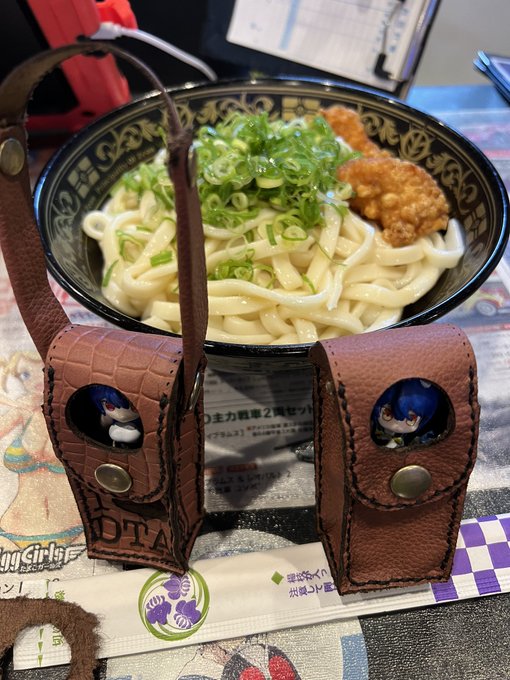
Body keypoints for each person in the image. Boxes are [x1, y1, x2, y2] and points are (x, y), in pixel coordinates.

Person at [0, 351, 83, 550]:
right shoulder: (22, 412)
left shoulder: (76, 410)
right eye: (25, 374)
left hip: (76, 528)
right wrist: (11, 402)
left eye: (43, 370)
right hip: (14, 529)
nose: (36, 379)